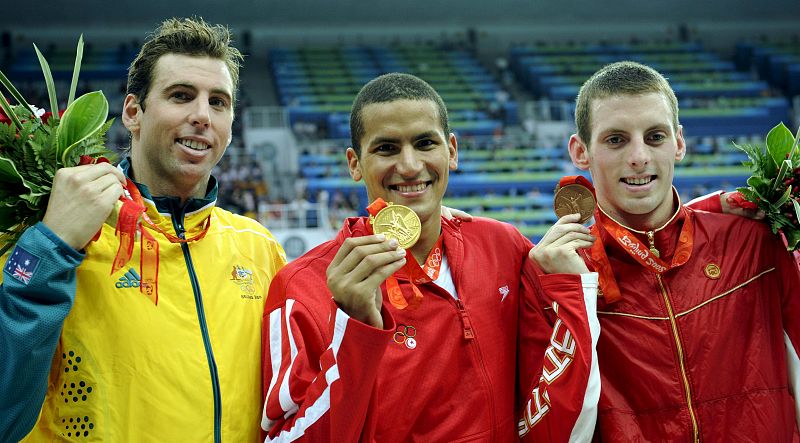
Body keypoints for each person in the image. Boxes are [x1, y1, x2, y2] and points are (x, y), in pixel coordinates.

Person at [260, 73, 601, 441]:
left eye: (425, 143)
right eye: (386, 148)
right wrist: (355, 330)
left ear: (451, 151)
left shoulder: (503, 246)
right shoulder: (303, 286)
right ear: (354, 163)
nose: (409, 166)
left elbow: (548, 384)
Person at [0, 18, 286, 442]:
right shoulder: (57, 233)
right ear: (133, 112)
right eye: (181, 96)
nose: (202, 116)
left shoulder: (259, 249)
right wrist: (50, 248)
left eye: (219, 102)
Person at [526, 61, 800, 440]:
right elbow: (547, 433)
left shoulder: (754, 243)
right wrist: (575, 295)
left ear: (680, 143)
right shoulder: (556, 277)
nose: (639, 156)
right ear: (580, 151)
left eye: (655, 136)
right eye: (616, 139)